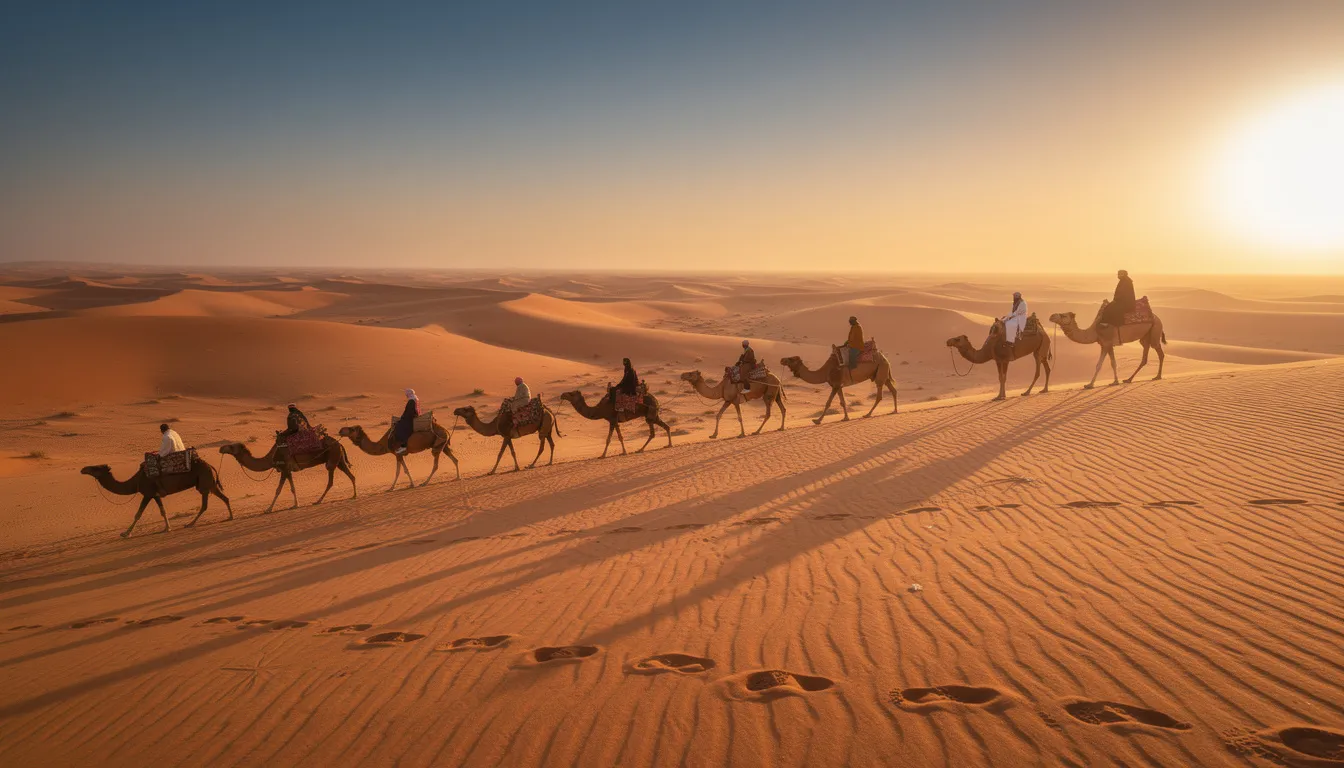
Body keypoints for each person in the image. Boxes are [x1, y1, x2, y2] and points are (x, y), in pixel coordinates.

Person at [391, 389, 419, 455]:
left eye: (406, 394)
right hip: (411, 418)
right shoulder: (414, 399)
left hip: (409, 419)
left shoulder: (411, 401)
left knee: (399, 427)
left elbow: (409, 412)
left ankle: (403, 446)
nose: (406, 395)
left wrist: (403, 418)